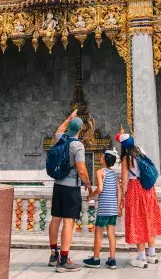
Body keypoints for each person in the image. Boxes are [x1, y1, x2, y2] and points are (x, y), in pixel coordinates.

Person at [48, 111, 92, 273]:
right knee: (68, 221)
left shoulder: (61, 139)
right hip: (71, 187)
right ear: (81, 129)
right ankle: (64, 260)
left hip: (58, 185)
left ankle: (54, 254)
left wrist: (68, 118)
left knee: (55, 219)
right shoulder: (77, 145)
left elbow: (58, 131)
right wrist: (88, 184)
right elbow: (81, 168)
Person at [116, 132, 161, 269]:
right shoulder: (141, 151)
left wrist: (122, 198)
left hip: (135, 190)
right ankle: (152, 255)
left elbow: (125, 181)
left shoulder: (127, 159)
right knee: (149, 220)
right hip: (148, 189)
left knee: (139, 222)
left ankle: (141, 257)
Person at [83, 149, 120, 270]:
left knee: (98, 234)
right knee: (111, 234)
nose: (100, 158)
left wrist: (90, 196)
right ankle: (112, 260)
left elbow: (100, 189)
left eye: (102, 157)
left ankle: (96, 259)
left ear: (105, 160)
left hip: (104, 208)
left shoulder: (100, 172)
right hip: (113, 208)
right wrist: (118, 206)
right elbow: (119, 191)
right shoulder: (114, 174)